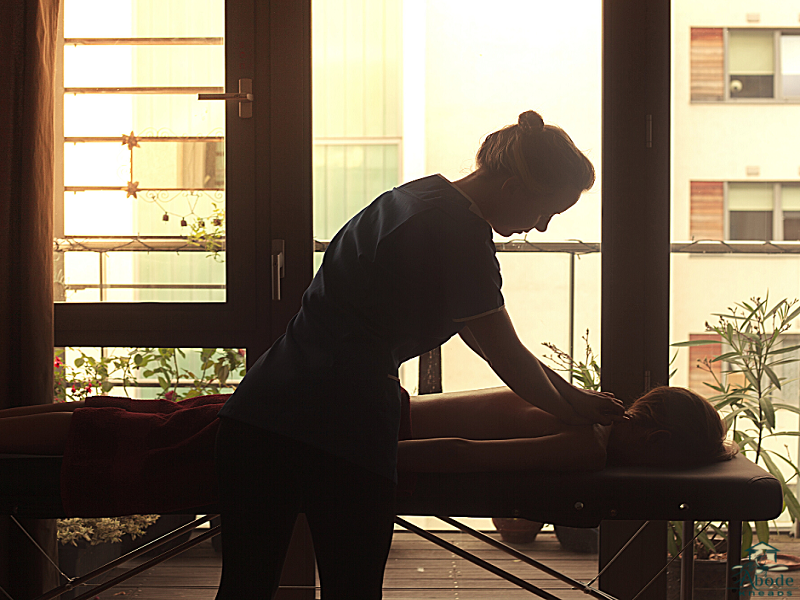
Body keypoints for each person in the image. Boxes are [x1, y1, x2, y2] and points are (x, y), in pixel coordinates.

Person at [212, 110, 625, 599]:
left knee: (244, 588)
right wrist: (574, 412)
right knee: (353, 590)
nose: (539, 227)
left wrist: (575, 397)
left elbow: (485, 338)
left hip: (262, 409)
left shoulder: (416, 196)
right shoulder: (461, 236)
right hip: (344, 423)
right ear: (515, 188)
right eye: (545, 212)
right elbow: (503, 352)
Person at [0, 385, 735, 484]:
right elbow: (461, 455)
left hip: (356, 401)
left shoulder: (583, 414)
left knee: (154, 416)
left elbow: (470, 444)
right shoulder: (588, 437)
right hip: (358, 421)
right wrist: (369, 462)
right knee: (152, 432)